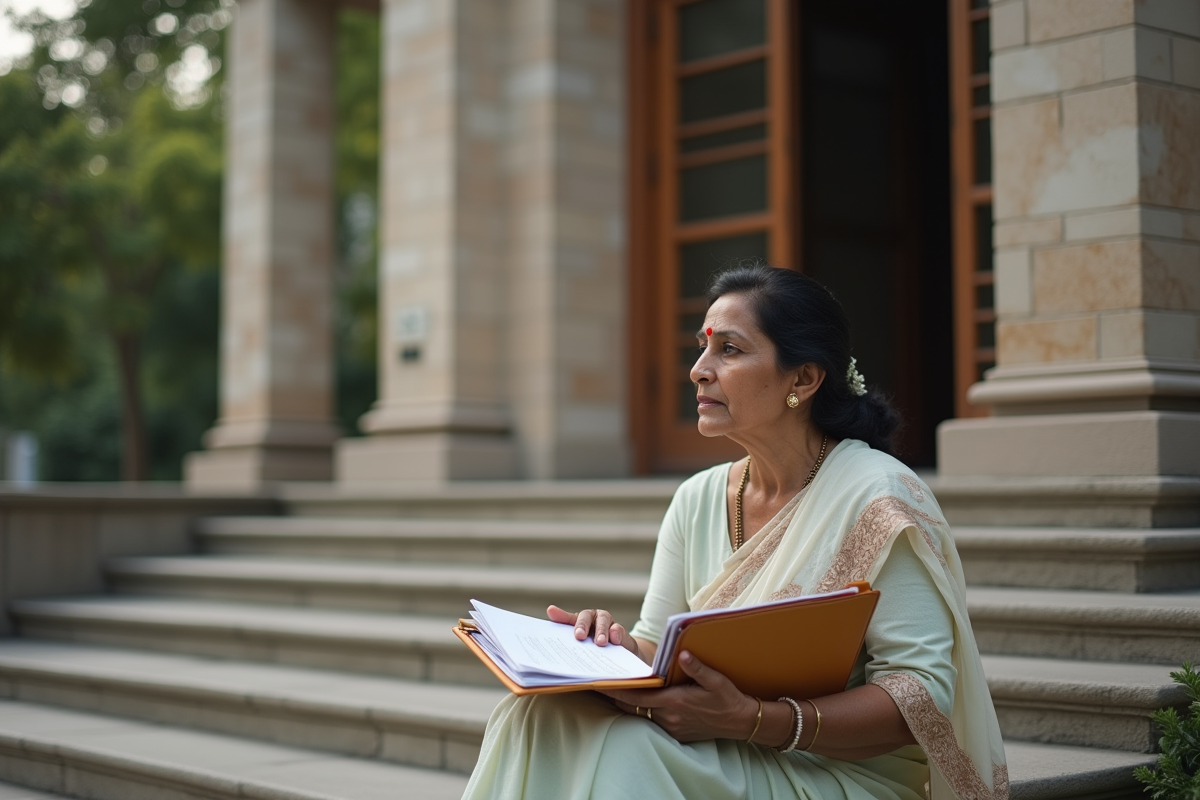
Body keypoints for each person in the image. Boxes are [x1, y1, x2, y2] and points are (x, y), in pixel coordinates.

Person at [461, 264, 1007, 800]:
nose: (699, 369)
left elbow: (920, 696)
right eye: (703, 347)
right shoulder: (697, 499)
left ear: (804, 379)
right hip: (722, 744)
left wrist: (754, 720)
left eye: (729, 349)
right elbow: (656, 646)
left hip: (834, 772)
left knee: (628, 751)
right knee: (533, 713)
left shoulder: (878, 498)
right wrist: (609, 649)